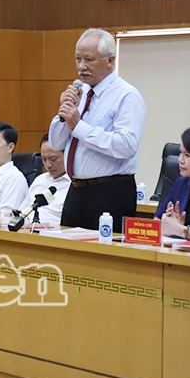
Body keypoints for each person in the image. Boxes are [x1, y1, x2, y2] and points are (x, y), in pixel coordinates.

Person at [48, 28, 146, 232]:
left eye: (89, 59)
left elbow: (126, 145)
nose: (81, 66)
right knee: (66, 250)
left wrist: (79, 126)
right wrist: (64, 114)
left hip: (111, 192)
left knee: (105, 251)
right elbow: (56, 143)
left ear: (110, 60)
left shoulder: (126, 95)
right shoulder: (80, 92)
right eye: (77, 59)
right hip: (75, 191)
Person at [17, 133, 71, 231]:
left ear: (68, 155)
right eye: (44, 159)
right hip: (26, 231)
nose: (48, 165)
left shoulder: (76, 185)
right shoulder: (40, 180)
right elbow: (22, 211)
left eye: (53, 159)